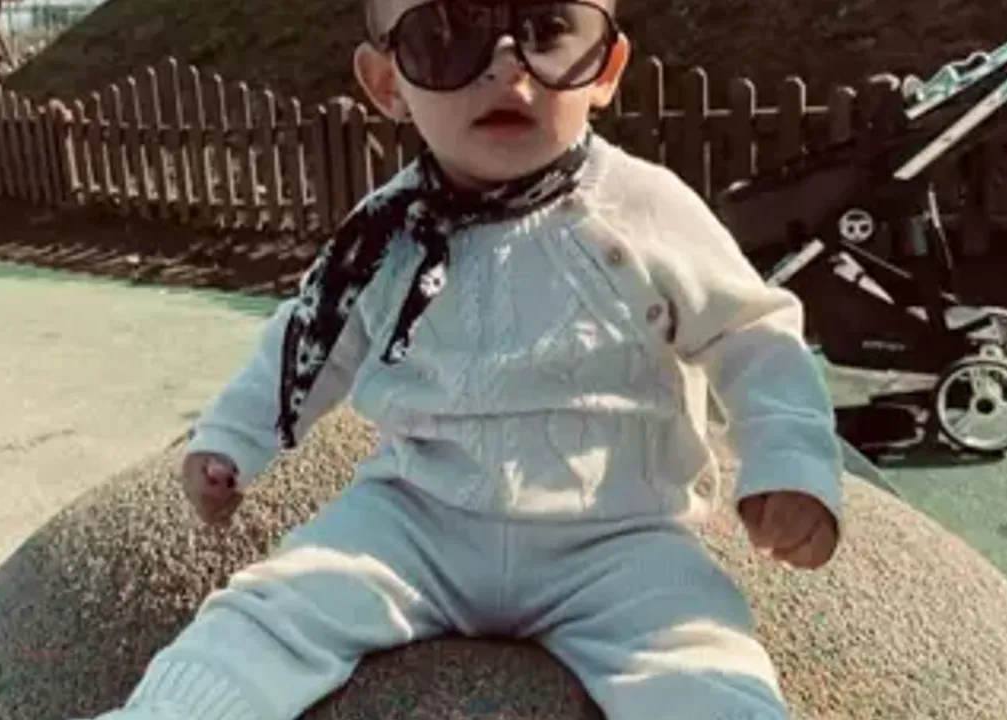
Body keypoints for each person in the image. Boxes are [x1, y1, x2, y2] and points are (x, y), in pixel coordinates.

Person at [83, 1, 847, 718]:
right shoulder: (385, 230)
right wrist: (232, 438)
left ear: (606, 68)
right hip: (417, 521)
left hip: (619, 533)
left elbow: (752, 333)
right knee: (270, 612)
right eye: (447, 33)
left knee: (698, 658)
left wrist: (790, 461)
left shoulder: (643, 209)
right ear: (388, 83)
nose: (506, 67)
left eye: (549, 27)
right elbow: (310, 338)